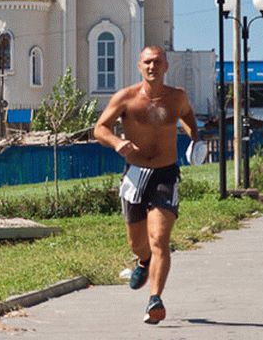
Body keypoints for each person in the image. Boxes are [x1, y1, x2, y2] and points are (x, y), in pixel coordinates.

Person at [94, 45, 199, 325]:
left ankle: (155, 299)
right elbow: (99, 128)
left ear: (166, 66)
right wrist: (117, 142)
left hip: (166, 174)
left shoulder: (177, 97)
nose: (152, 67)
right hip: (135, 174)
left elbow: (188, 115)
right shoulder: (126, 98)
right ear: (140, 66)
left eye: (158, 62)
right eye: (147, 62)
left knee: (159, 240)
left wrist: (193, 135)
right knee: (138, 243)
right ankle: (142, 261)